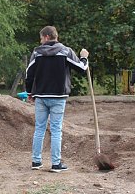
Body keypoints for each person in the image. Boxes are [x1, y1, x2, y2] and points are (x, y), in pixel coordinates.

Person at [25, 26, 88, 173]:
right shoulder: (66, 51)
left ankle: (36, 161)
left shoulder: (37, 53)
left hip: (40, 96)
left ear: (47, 37)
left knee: (39, 128)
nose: (40, 41)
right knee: (56, 130)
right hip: (58, 97)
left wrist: (29, 92)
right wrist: (84, 56)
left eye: (41, 38)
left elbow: (29, 74)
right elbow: (82, 68)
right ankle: (56, 163)